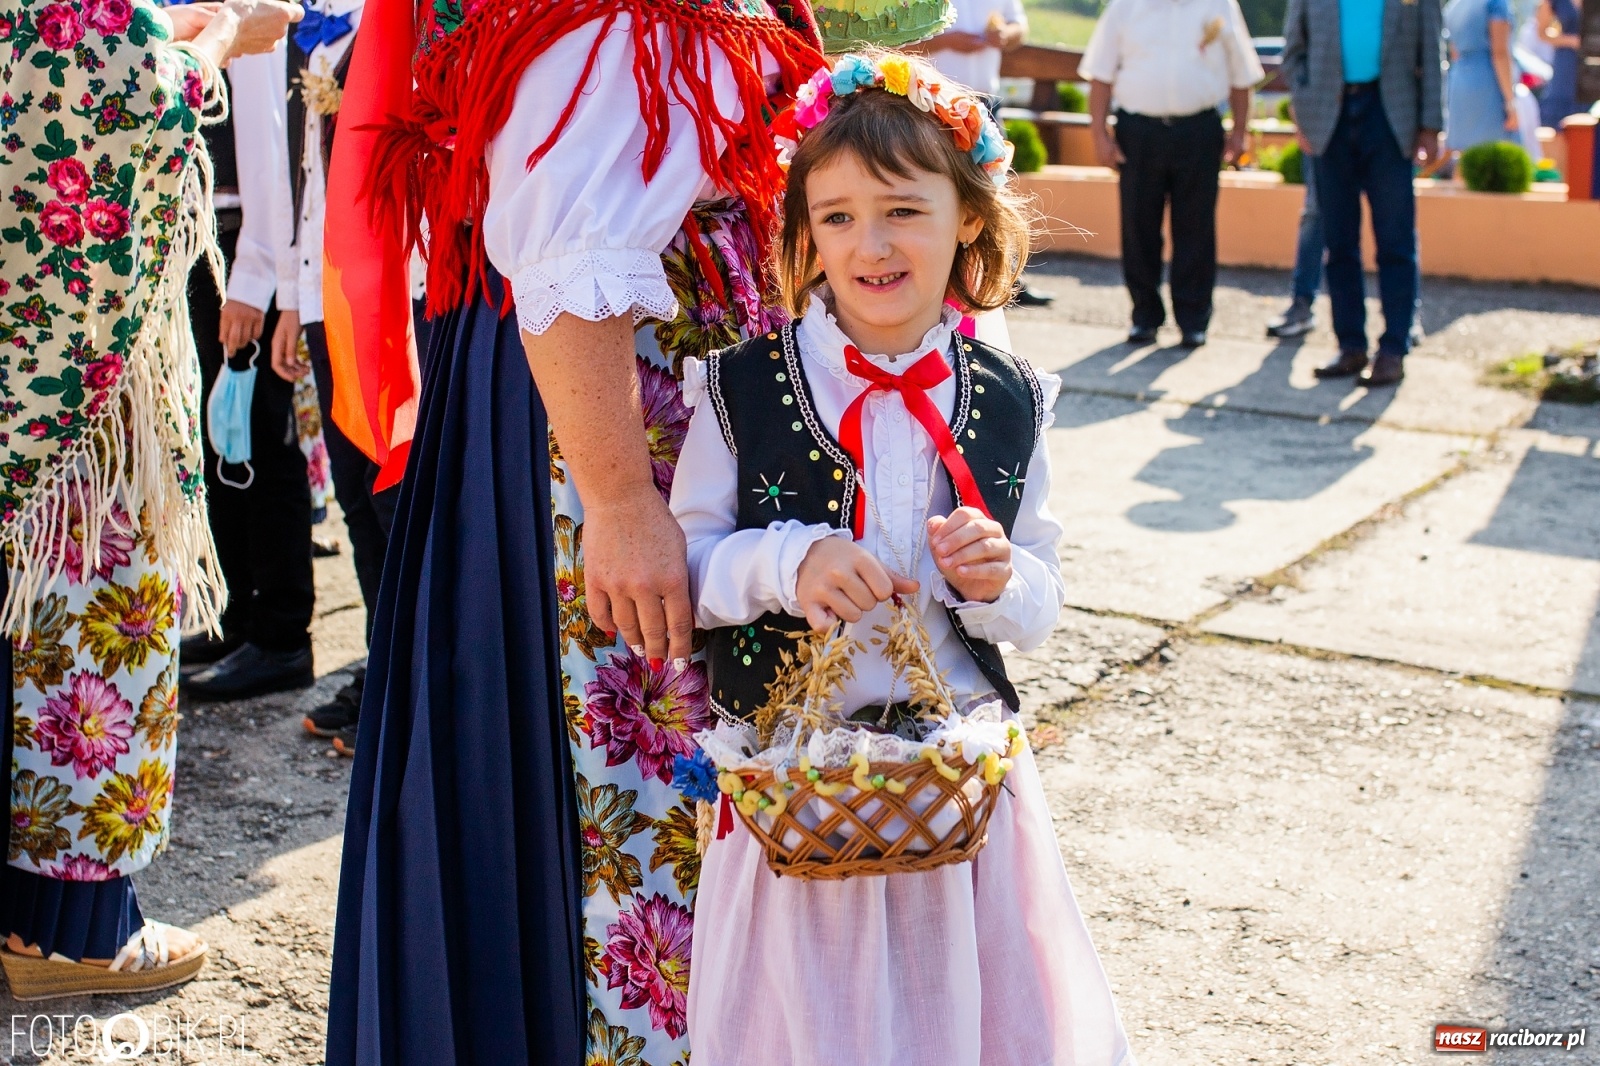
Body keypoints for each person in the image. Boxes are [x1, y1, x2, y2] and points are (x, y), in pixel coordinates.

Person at [317, 0, 824, 1055]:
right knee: (635, 750)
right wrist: (622, 502)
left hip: (628, 408)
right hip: (604, 426)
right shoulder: (610, 19)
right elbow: (570, 249)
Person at [676, 55, 1131, 1064]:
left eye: (902, 211)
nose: (869, 244)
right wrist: (787, 563)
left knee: (962, 1023)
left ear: (967, 216)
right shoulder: (741, 389)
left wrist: (1000, 576)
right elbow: (693, 571)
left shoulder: (1011, 396)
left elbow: (1042, 600)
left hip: (956, 800)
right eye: (836, 217)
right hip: (799, 801)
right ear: (805, 233)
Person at [0, 0, 299, 999]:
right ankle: (69, 932)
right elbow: (126, 97)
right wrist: (220, 40)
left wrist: (166, 31)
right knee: (89, 626)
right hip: (69, 406)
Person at [183, 45, 318, 701]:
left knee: (261, 439)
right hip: (204, 231)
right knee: (218, 438)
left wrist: (257, 277)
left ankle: (282, 634)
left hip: (245, 243)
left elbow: (272, 136)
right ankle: (236, 616)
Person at [1082, 0, 1263, 349]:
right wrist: (1100, 136)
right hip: (1138, 133)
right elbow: (1100, 75)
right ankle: (1144, 316)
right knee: (1138, 227)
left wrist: (1240, 132)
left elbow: (1242, 74)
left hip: (1199, 131)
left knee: (1196, 227)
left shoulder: (1219, 5)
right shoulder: (1125, 7)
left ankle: (1193, 320)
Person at [1283, 0, 1444, 387]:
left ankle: (1393, 349)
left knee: (1395, 240)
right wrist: (1304, 111)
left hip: (1389, 118)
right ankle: (1350, 345)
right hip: (1330, 118)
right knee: (1339, 242)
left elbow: (1431, 52)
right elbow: (1294, 52)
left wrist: (1430, 125)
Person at [915, 0, 1054, 308]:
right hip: (933, 103)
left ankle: (1006, 279)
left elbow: (1019, 26)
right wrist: (945, 41)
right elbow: (901, 40)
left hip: (987, 102)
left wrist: (1005, 35)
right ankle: (949, 279)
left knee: (997, 192)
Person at [1445, 0, 1522, 155]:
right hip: (1487, 83)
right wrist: (1510, 102)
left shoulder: (1454, 5)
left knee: (1467, 156)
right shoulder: (1496, 2)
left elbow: (1454, 52)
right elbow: (1500, 53)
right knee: (1496, 156)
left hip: (1459, 83)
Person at [1537, 0, 1583, 129]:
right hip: (1566, 62)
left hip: (1592, 60)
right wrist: (1571, 41)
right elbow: (1542, 33)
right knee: (1557, 123)